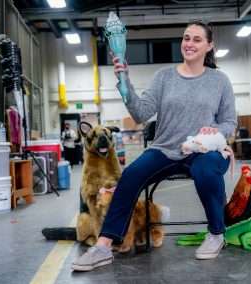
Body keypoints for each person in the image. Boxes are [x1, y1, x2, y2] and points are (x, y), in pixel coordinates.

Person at [72, 21, 237, 272]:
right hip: (166, 148)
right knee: (130, 175)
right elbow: (140, 113)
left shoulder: (220, 81)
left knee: (206, 172)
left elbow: (229, 122)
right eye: (186, 38)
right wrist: (124, 81)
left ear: (209, 46)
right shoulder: (164, 77)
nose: (189, 43)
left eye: (196, 39)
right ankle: (104, 246)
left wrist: (216, 131)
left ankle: (216, 233)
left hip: (205, 150)